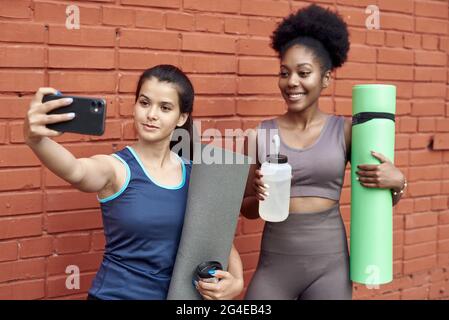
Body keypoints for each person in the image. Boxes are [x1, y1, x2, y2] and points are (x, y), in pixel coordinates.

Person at [24, 64, 244, 300]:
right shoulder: (116, 168)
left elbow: (217, 234)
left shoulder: (196, 175)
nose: (151, 114)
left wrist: (237, 281)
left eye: (165, 107)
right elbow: (77, 171)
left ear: (181, 117)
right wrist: (35, 140)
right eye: (145, 102)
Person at [240, 4, 406, 300]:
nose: (292, 82)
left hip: (330, 267)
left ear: (326, 78)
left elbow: (379, 200)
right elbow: (248, 210)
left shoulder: (347, 131)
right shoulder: (259, 135)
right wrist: (256, 192)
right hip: (274, 267)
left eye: (304, 73)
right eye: (284, 73)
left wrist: (397, 182)